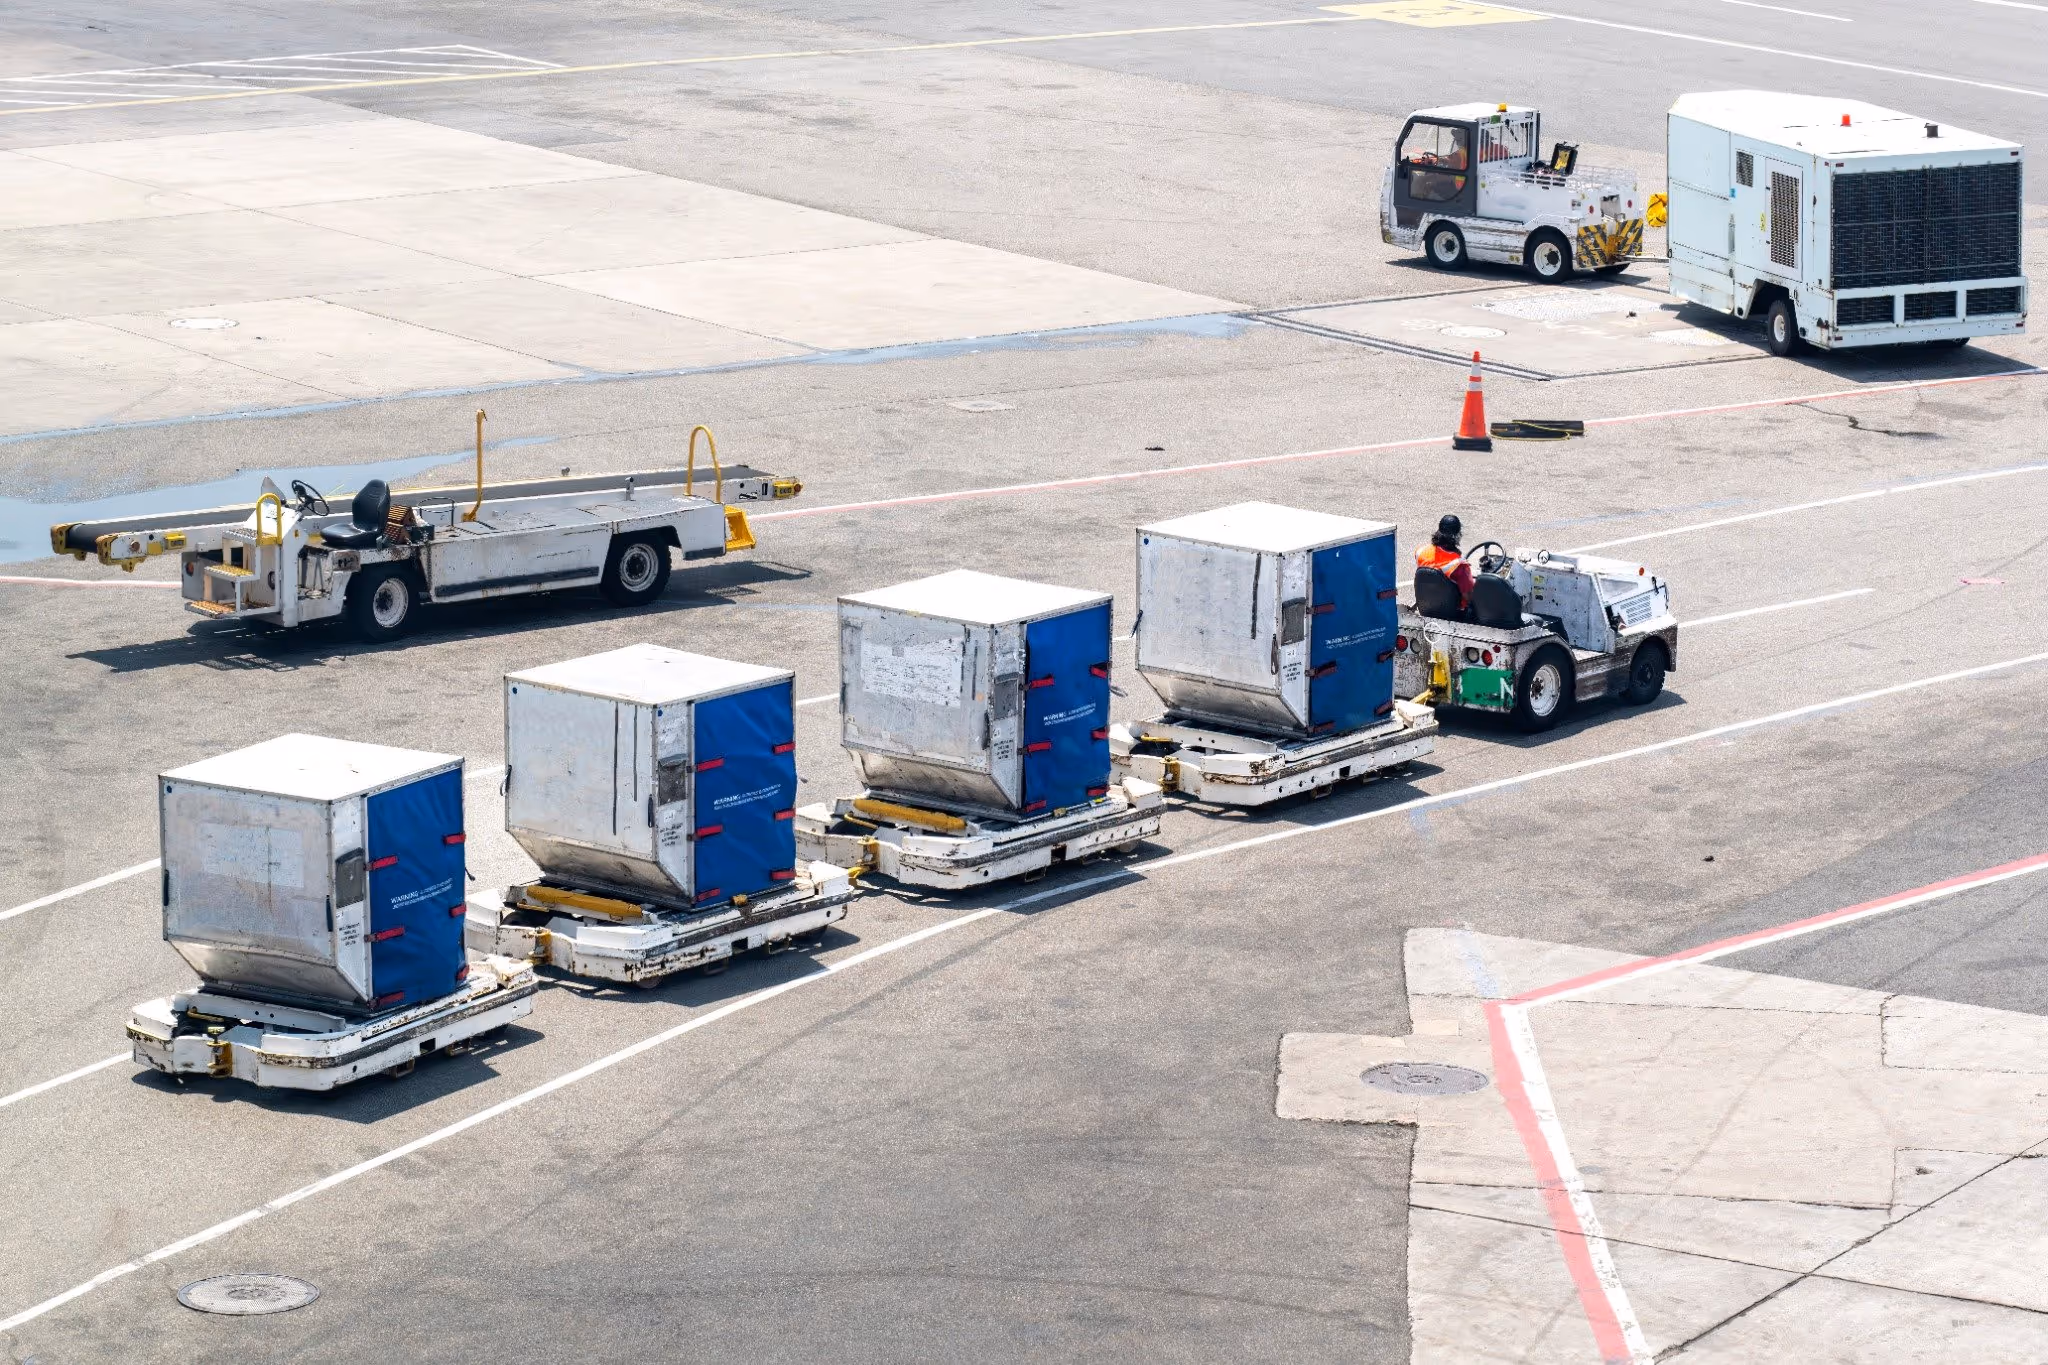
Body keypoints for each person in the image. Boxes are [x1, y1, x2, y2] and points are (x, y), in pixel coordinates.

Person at [1416, 514, 1475, 610]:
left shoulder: (1420, 551)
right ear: (1457, 536)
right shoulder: (1459, 565)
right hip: (1454, 613)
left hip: (1427, 609)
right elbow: (1468, 596)